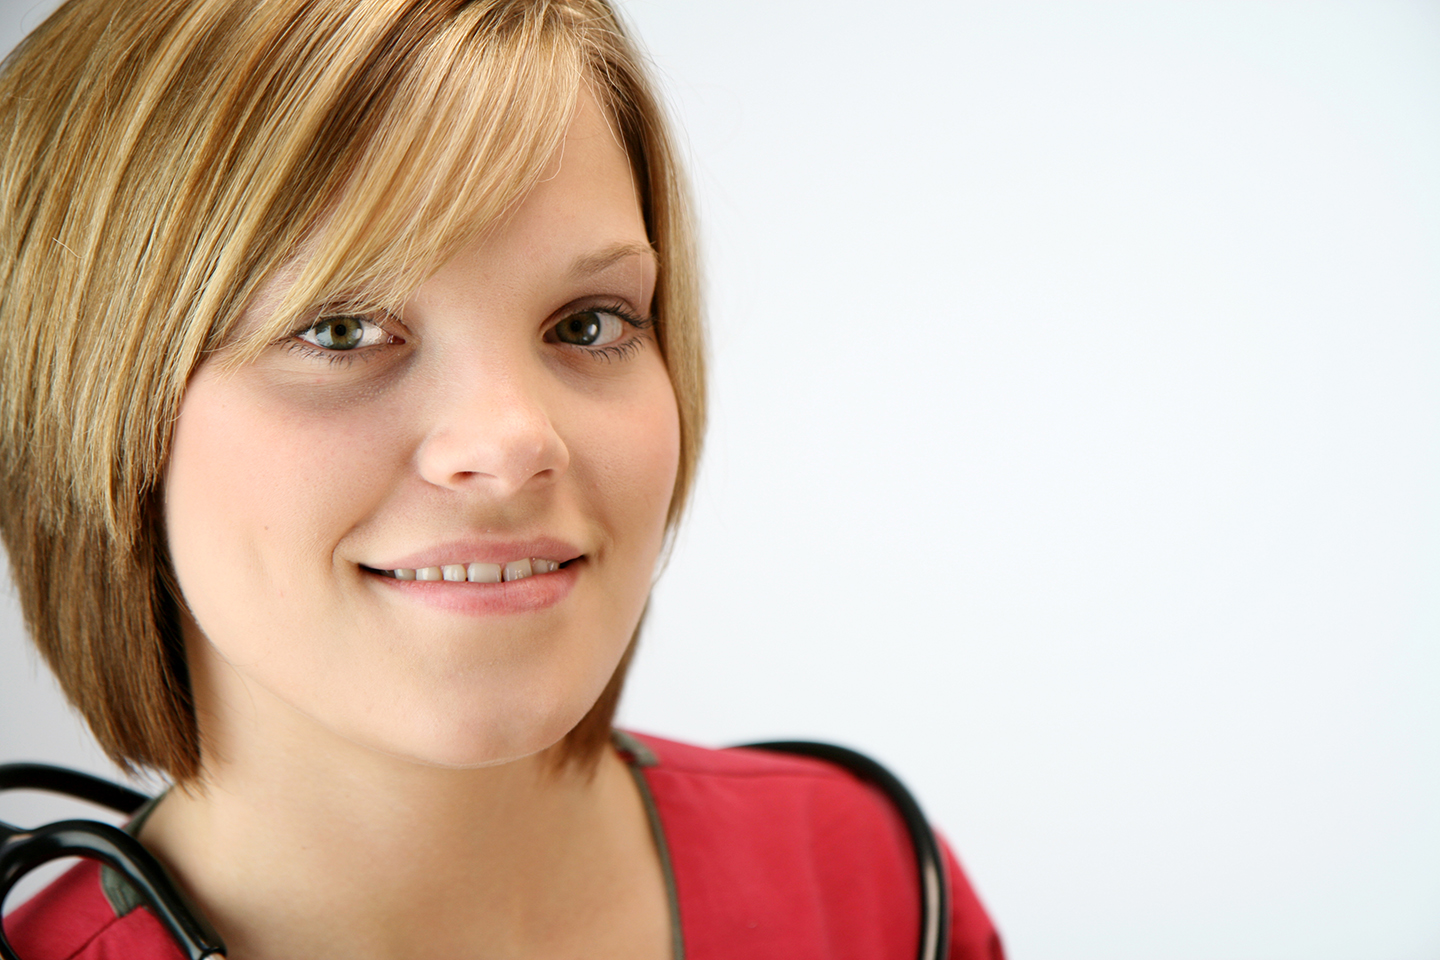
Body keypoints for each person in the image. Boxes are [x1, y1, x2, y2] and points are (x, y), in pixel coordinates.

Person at [0, 1, 1003, 957]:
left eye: (588, 323)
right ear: (85, 398)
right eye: (340, 330)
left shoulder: (874, 886)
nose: (514, 440)